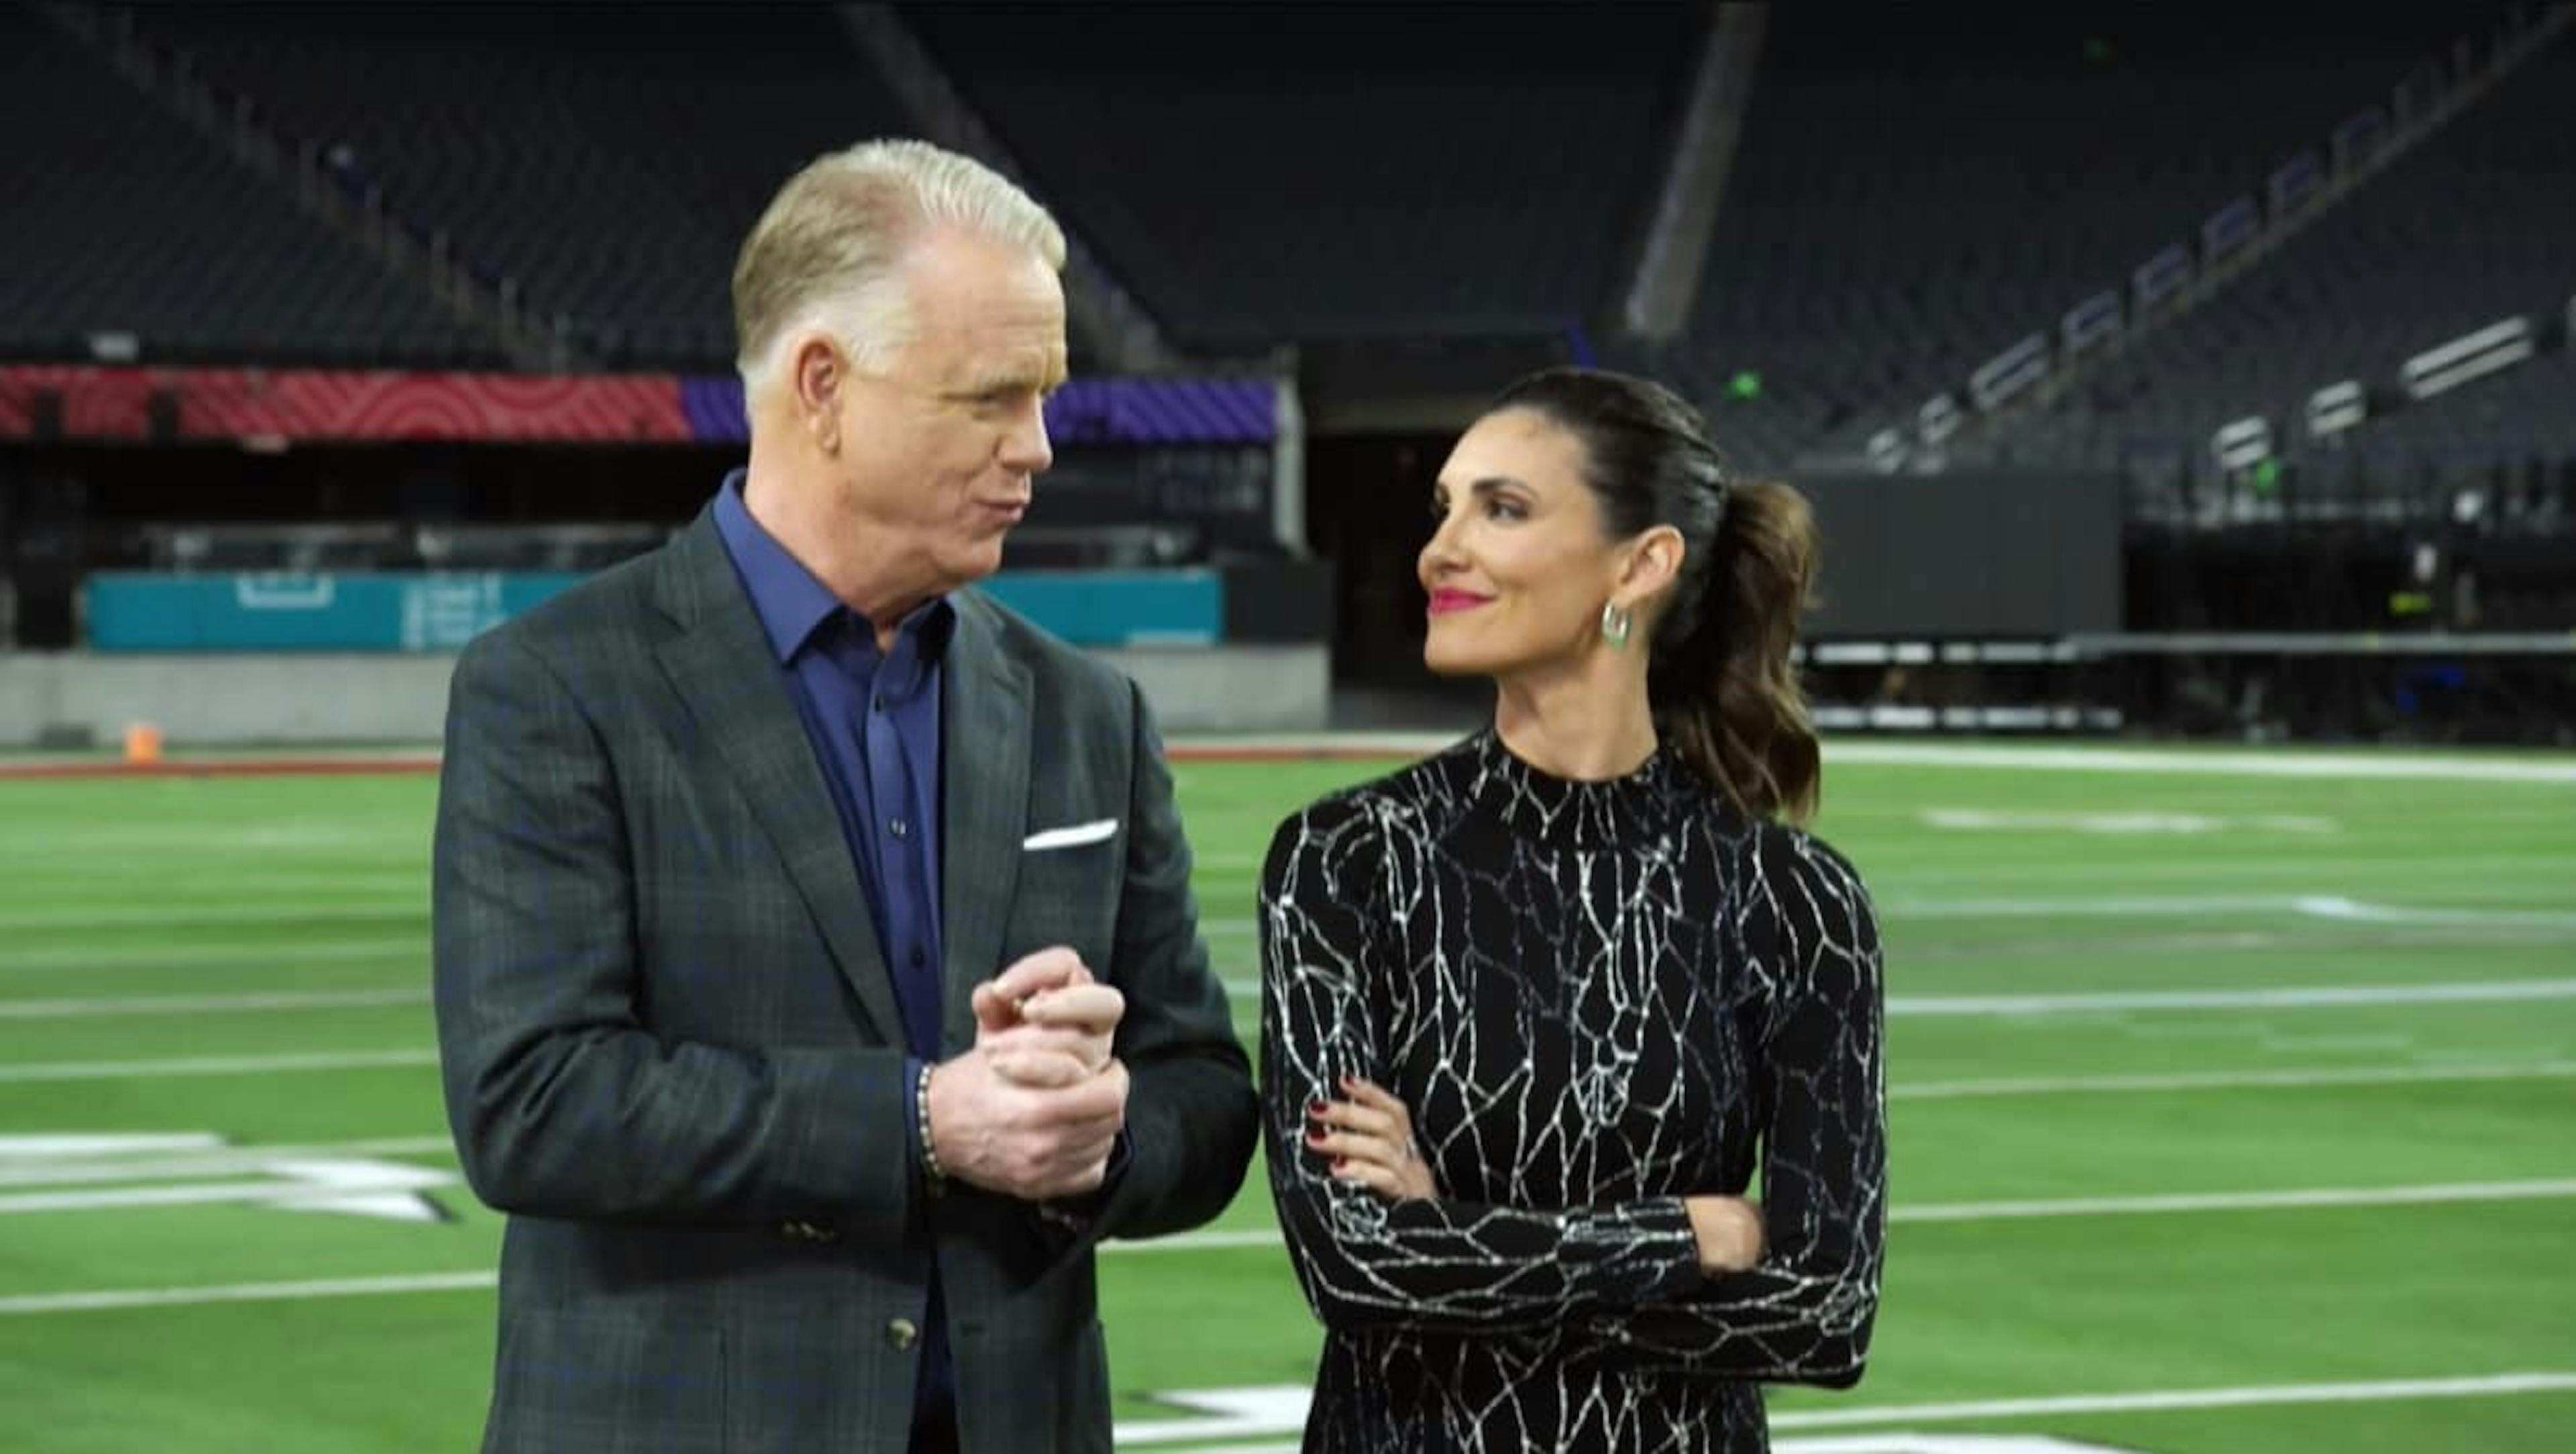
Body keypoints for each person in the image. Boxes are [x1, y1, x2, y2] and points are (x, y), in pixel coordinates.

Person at [431, 138, 1259, 1454]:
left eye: (1043, 399)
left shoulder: (1086, 713)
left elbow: (1206, 1097)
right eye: (992, 398)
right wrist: (926, 1121)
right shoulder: (556, 685)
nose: (1037, 448)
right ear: (823, 385)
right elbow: (535, 1105)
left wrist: (1096, 1134)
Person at [1258, 366, 1886, 1451]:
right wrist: (1691, 1234)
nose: (1440, 548)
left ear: (1640, 566)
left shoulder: (1797, 902)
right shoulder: (1350, 862)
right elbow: (1353, 1266)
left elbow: (1824, 1316)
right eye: (1445, 508)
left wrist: (1443, 1229)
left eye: (1501, 509)